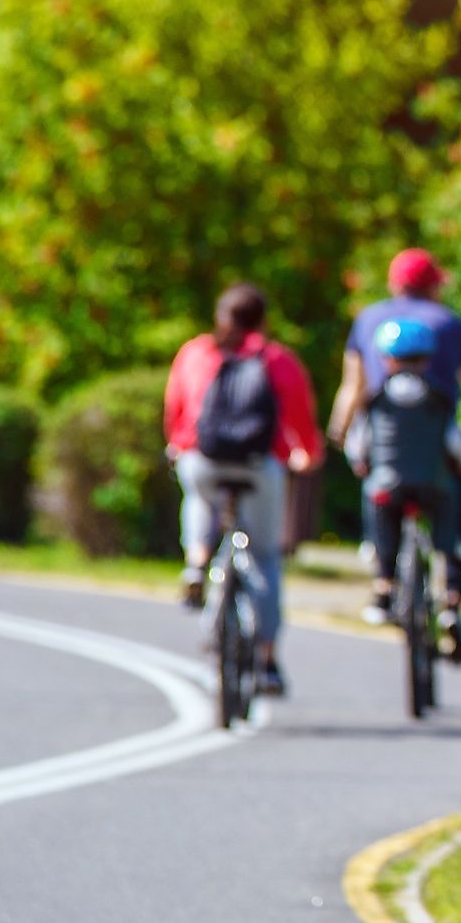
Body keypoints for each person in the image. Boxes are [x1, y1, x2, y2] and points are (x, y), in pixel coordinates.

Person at [328, 247, 461, 644]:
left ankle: (382, 585)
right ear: (433, 287)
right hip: (436, 448)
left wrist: (340, 433)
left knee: (377, 490)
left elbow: (352, 388)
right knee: (456, 502)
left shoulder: (367, 320)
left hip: (383, 447)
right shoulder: (452, 325)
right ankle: (451, 601)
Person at [163, 283, 324, 698]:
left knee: (198, 495)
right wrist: (306, 453)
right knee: (265, 555)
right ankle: (268, 661)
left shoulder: (196, 353)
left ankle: (197, 559)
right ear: (263, 319)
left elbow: (176, 410)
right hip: (258, 466)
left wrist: (177, 443)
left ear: (221, 317)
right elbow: (301, 420)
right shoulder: (276, 359)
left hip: (203, 458)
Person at [354, 317, 461, 651]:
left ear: (386, 359)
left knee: (374, 497)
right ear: (427, 359)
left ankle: (383, 585)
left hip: (387, 487)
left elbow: (358, 447)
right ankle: (450, 595)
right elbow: (457, 446)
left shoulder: (375, 401)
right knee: (449, 526)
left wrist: (362, 464)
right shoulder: (439, 400)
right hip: (433, 487)